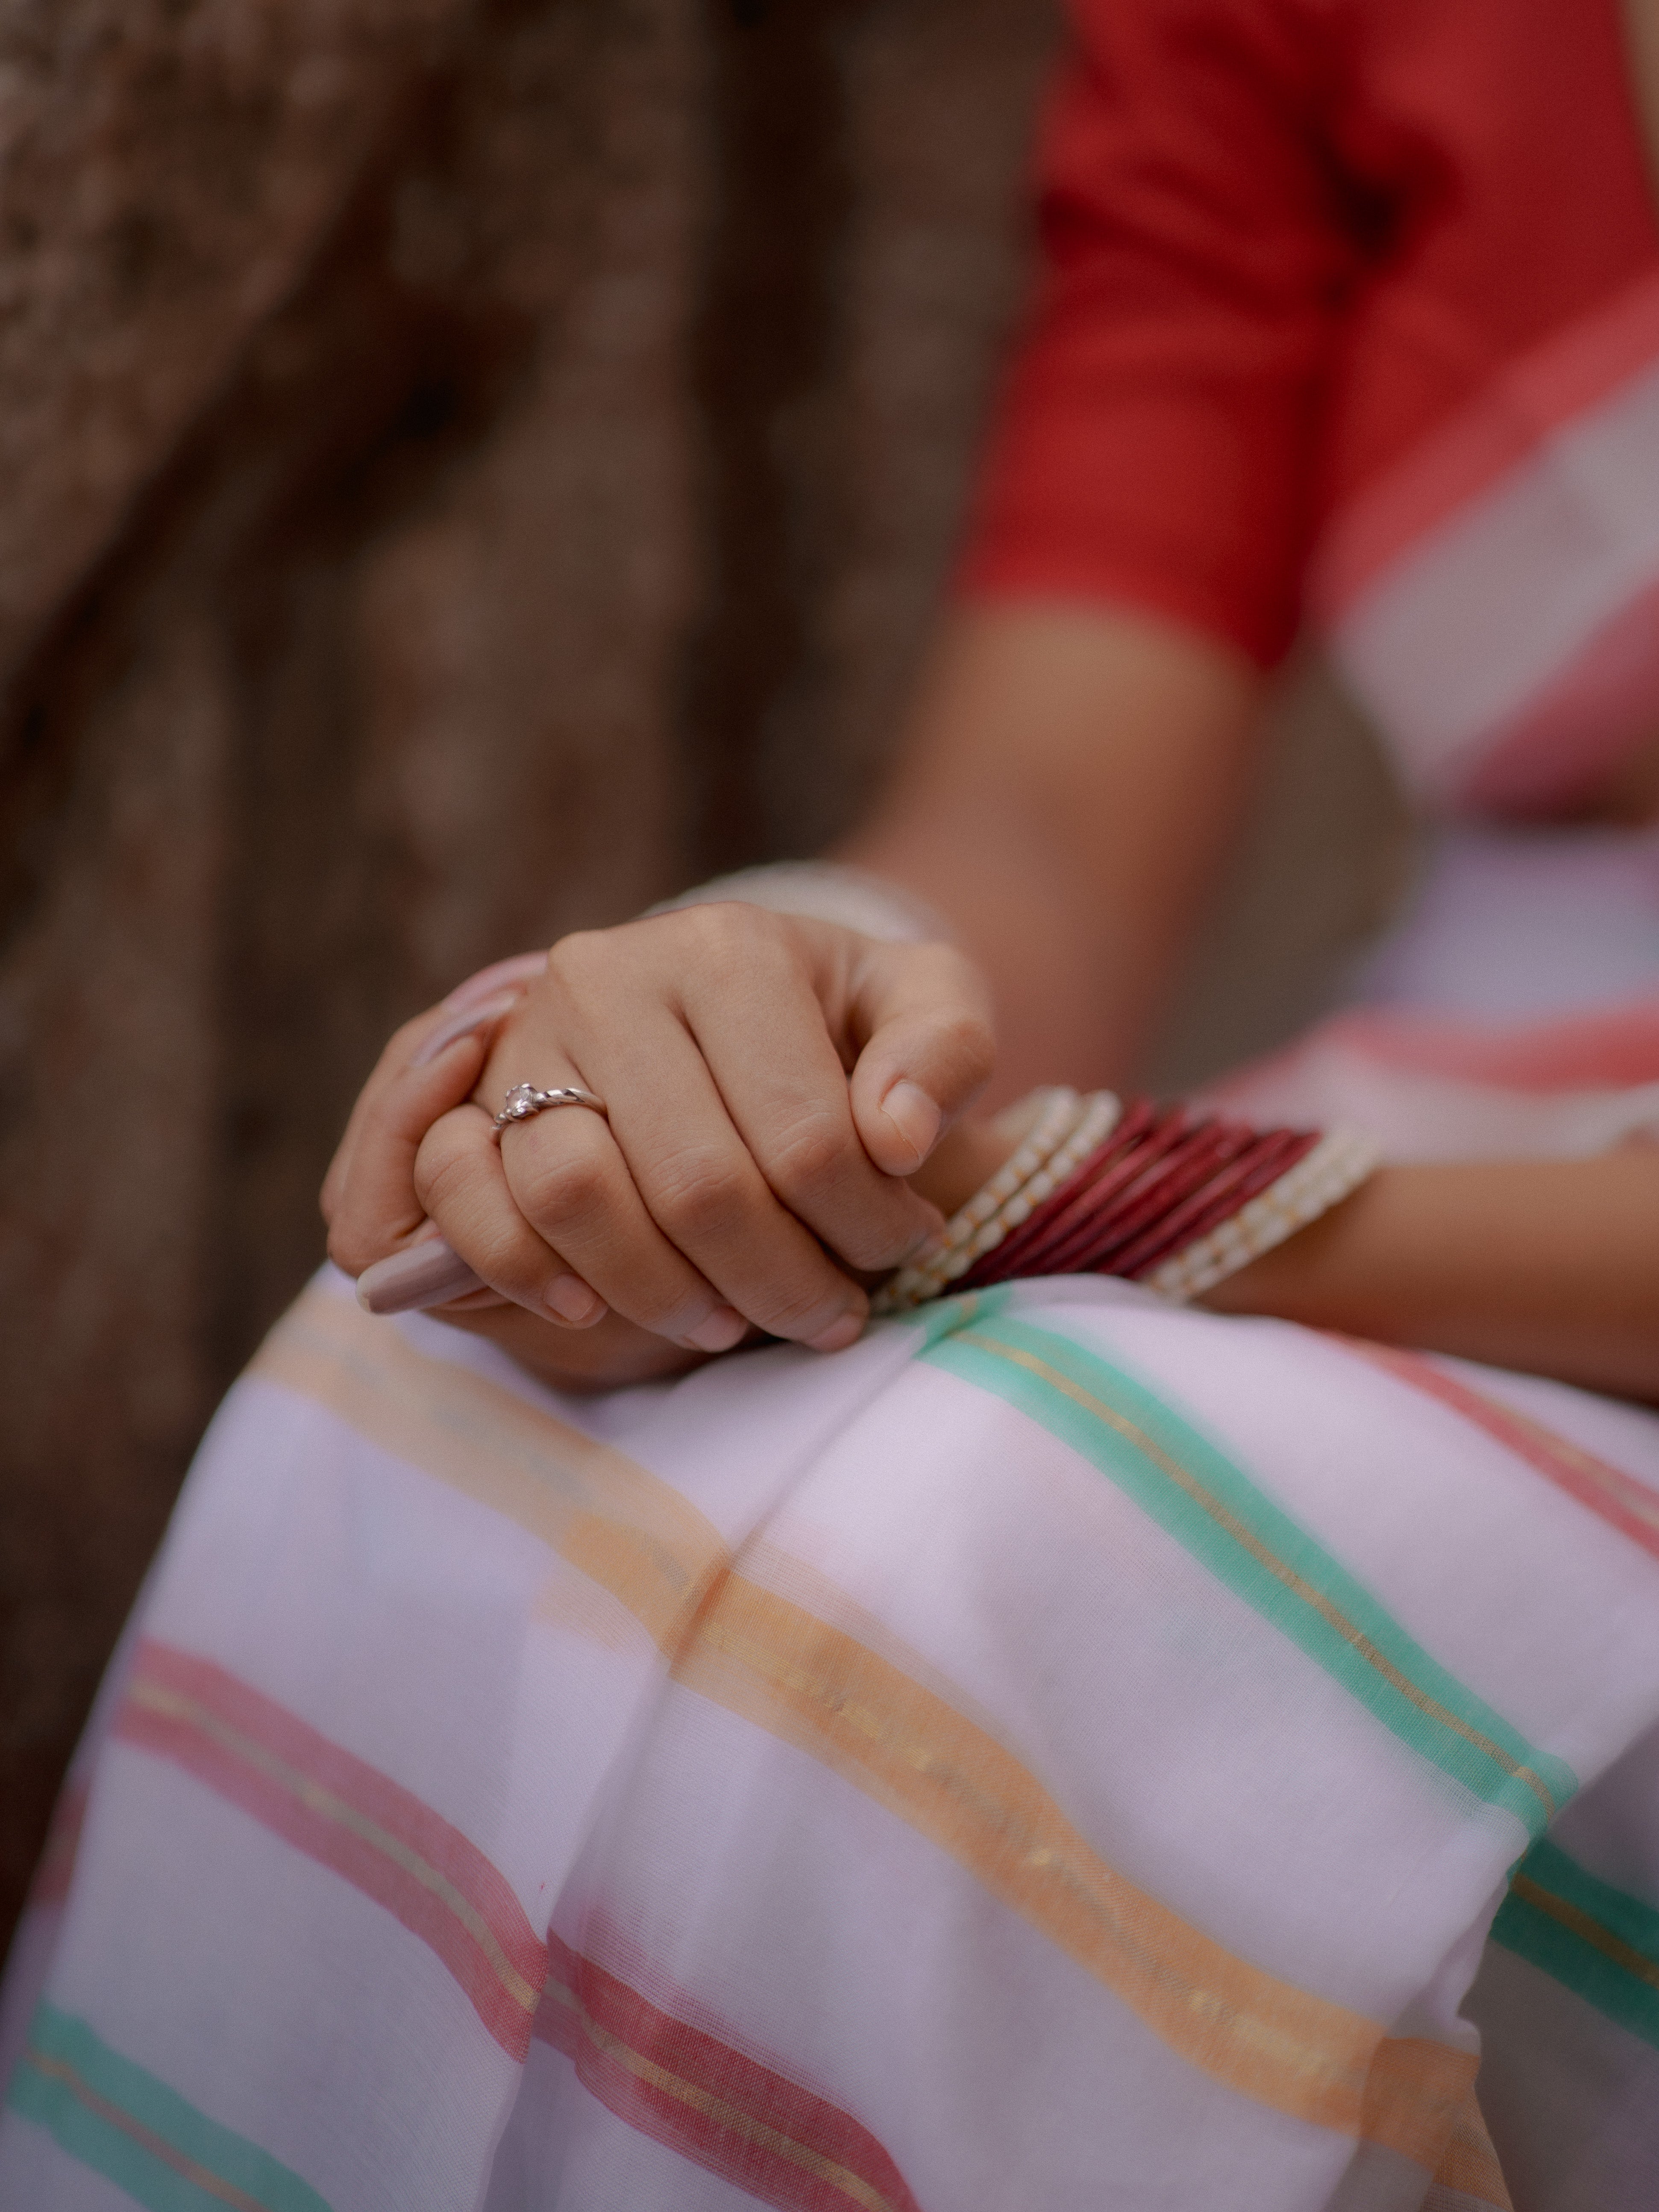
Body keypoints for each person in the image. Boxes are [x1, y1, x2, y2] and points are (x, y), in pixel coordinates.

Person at [5, 3, 1659, 2207]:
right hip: (1461, 1072)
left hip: (1502, 1230)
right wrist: (753, 1013)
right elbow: (1043, 833)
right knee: (451, 1368)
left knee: (991, 1552)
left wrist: (1059, 1207)